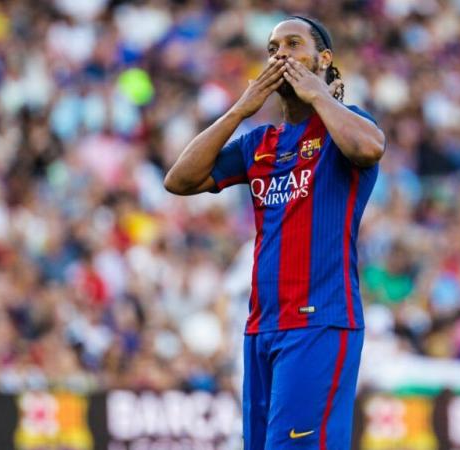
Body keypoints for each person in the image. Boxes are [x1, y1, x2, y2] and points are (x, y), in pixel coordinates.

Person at [164, 15, 385, 450]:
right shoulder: (259, 143)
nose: (280, 54)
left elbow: (370, 148)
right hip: (262, 325)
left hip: (320, 320)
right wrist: (240, 108)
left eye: (293, 45)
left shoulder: (346, 128)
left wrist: (319, 93)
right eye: (272, 48)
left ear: (323, 59)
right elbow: (179, 180)